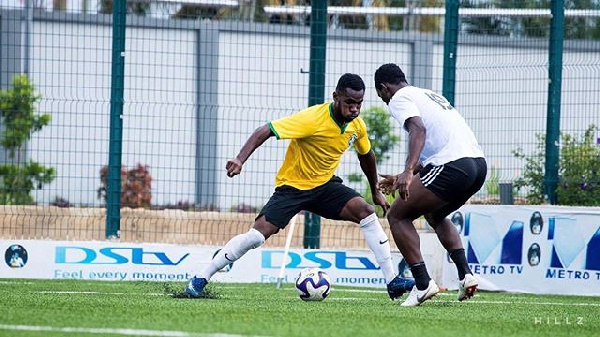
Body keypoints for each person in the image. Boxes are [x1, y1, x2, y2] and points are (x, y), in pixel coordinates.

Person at [186, 73, 415, 299]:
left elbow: (367, 155)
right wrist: (239, 159)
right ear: (336, 97)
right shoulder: (312, 119)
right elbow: (265, 130)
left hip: (325, 186)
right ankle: (201, 277)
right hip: (292, 188)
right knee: (256, 237)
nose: (354, 109)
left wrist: (375, 190)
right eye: (349, 103)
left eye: (359, 104)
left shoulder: (357, 125)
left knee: (366, 212)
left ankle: (392, 281)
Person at [373, 63, 487, 307]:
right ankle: (466, 275)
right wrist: (402, 175)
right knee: (435, 215)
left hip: (454, 166)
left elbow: (418, 130)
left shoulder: (399, 98)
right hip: (477, 167)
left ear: (384, 88)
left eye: (380, 94)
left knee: (397, 216)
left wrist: (406, 171)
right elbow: (434, 152)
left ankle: (423, 284)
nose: (383, 100)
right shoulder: (428, 94)